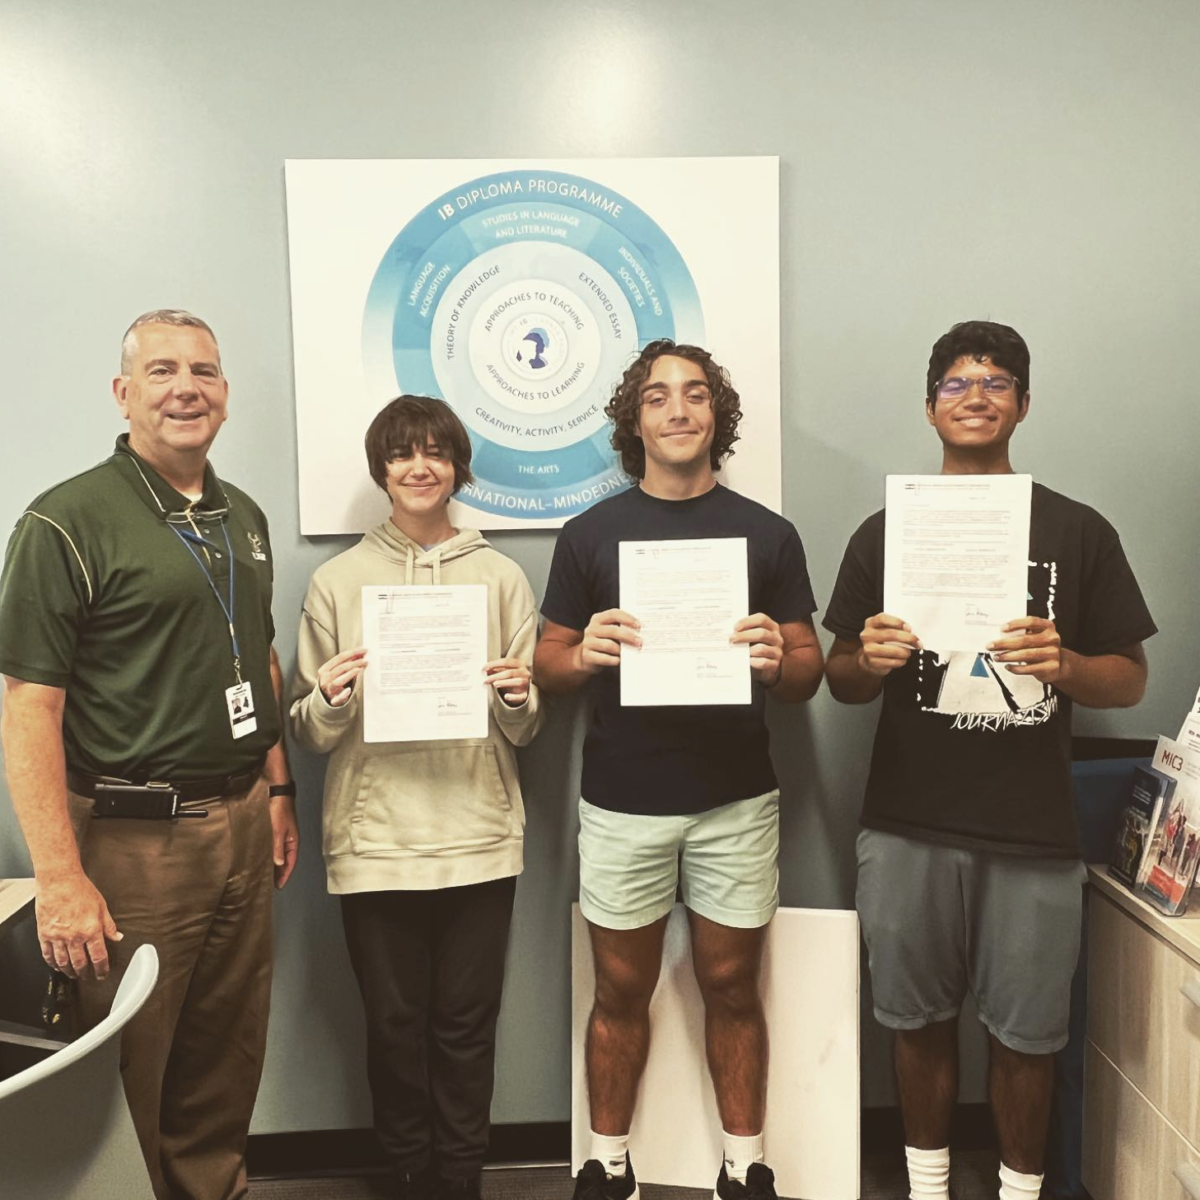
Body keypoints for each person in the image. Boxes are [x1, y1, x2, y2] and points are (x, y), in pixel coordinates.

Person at [823, 320, 1156, 1200]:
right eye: (956, 384)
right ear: (929, 407)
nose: (975, 396)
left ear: (1024, 405)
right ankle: (927, 1188)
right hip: (906, 823)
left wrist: (1070, 666)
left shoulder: (1078, 531)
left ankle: (1017, 1192)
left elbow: (1128, 679)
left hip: (1032, 830)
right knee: (914, 1020)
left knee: (1028, 1035)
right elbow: (838, 681)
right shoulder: (882, 532)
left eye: (996, 382)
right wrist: (870, 656)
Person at [0, 309, 299, 1200]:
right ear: (123, 393)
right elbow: (27, 706)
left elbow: (261, 655)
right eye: (162, 371)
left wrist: (278, 792)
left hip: (243, 823)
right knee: (130, 1063)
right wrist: (59, 878)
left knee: (224, 1052)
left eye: (203, 372)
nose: (186, 389)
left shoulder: (240, 515)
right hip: (133, 844)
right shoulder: (65, 522)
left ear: (226, 395)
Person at [534, 340, 824, 1200]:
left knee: (732, 984)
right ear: (635, 420)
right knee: (619, 989)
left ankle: (746, 1168)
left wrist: (780, 658)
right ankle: (607, 1165)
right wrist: (583, 653)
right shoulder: (589, 536)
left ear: (716, 415)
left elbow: (810, 673)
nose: (679, 410)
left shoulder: (769, 534)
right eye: (658, 397)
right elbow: (548, 665)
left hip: (735, 800)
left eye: (695, 395)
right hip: (624, 801)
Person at [289, 395, 543, 1200]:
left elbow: (529, 727)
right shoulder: (337, 582)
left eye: (436, 452)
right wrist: (328, 697)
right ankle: (407, 1174)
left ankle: (460, 1177)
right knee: (395, 1030)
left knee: (467, 1028)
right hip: (376, 844)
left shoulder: (501, 576)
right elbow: (308, 731)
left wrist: (514, 698)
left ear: (457, 466)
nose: (420, 466)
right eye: (403, 454)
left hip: (477, 835)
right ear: (383, 470)